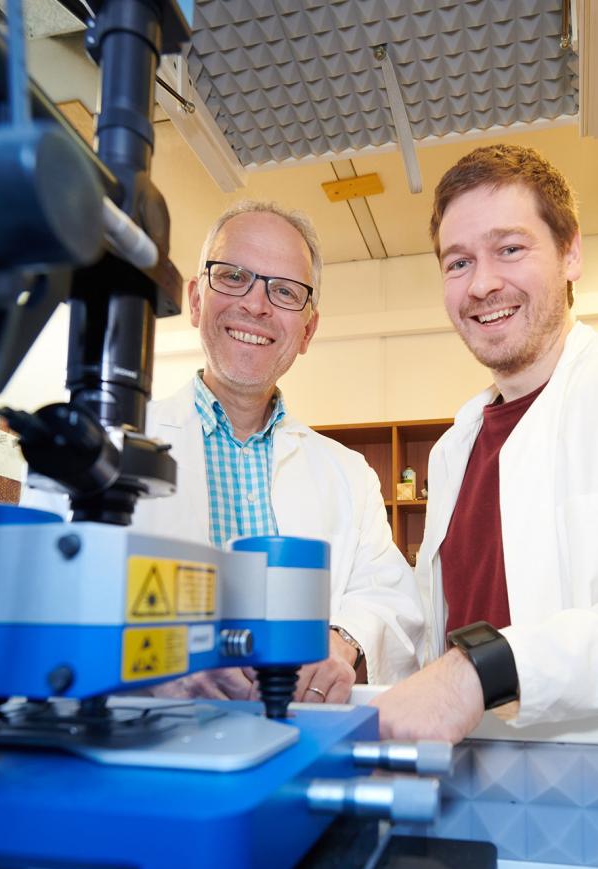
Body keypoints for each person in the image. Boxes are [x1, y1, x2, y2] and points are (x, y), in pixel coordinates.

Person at [375, 145, 598, 742]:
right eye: (458, 262)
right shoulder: (454, 447)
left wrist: (481, 672)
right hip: (467, 760)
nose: (482, 284)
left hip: (591, 771)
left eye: (510, 248)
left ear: (571, 252)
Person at [131, 200, 423, 703]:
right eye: (233, 276)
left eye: (284, 291)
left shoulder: (350, 475)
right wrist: (156, 664)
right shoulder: (113, 445)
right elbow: (43, 602)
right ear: (196, 301)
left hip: (301, 731)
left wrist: (342, 642)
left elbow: (389, 597)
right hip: (148, 734)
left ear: (307, 330)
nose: (256, 304)